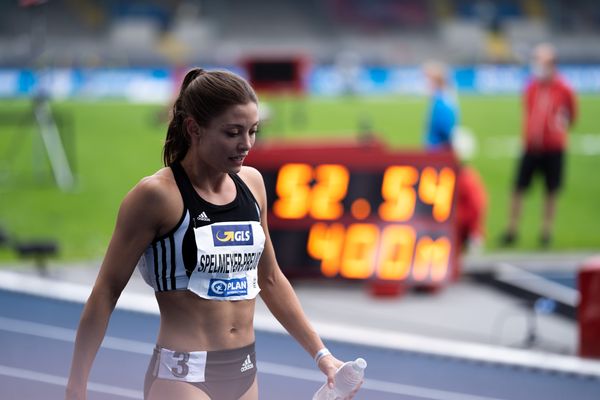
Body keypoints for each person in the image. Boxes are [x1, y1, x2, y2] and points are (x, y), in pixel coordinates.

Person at [65, 68, 360, 400]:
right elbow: (105, 292)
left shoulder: (252, 184)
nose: (246, 144)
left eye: (253, 131)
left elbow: (271, 279)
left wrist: (322, 356)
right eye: (233, 132)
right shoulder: (157, 196)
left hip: (244, 371)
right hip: (182, 375)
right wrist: (77, 385)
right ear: (194, 129)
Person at [501, 43, 577, 247]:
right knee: (518, 188)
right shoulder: (532, 86)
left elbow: (572, 115)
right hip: (531, 146)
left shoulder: (564, 88)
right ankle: (511, 230)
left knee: (551, 190)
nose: (536, 65)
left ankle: (546, 232)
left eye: (540, 60)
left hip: (553, 148)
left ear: (552, 64)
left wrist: (556, 131)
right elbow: (527, 109)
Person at [422, 61, 459, 151]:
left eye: (428, 81)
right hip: (438, 149)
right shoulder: (443, 99)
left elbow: (446, 130)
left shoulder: (441, 103)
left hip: (438, 153)